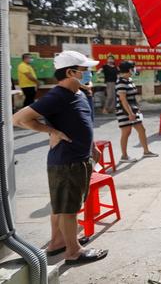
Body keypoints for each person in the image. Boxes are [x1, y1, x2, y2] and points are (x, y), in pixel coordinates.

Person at [12, 50, 108, 264]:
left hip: (80, 157)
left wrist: (92, 147)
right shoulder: (57, 96)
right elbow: (19, 118)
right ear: (71, 72)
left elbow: (82, 123)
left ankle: (57, 243)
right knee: (68, 209)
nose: (88, 74)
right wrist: (52, 132)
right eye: (84, 70)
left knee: (62, 205)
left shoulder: (79, 93)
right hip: (67, 162)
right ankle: (73, 252)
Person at [115, 61, 158, 162]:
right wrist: (130, 113)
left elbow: (132, 97)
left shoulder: (129, 79)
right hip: (124, 110)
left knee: (141, 130)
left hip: (133, 109)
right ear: (129, 69)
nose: (134, 69)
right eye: (133, 68)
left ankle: (146, 151)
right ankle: (124, 156)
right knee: (126, 132)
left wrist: (136, 109)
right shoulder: (121, 82)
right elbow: (123, 99)